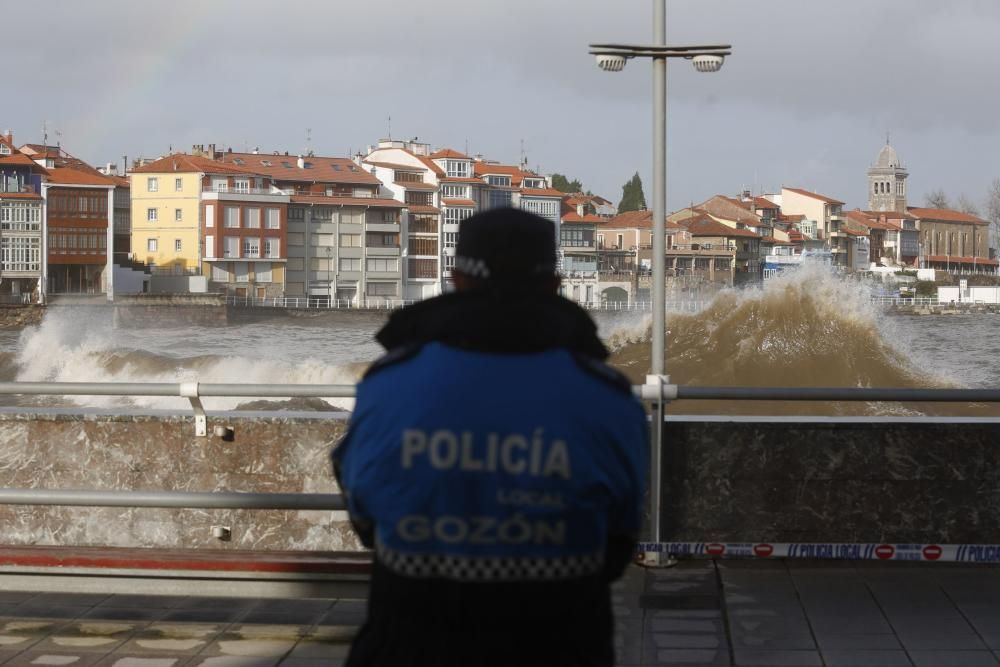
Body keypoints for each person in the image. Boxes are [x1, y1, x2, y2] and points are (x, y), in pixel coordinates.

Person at [332, 207, 648, 667]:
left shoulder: (388, 385)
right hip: (562, 647)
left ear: (456, 278)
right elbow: (619, 538)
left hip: (408, 647)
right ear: (554, 285)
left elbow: (364, 513)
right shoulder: (608, 398)